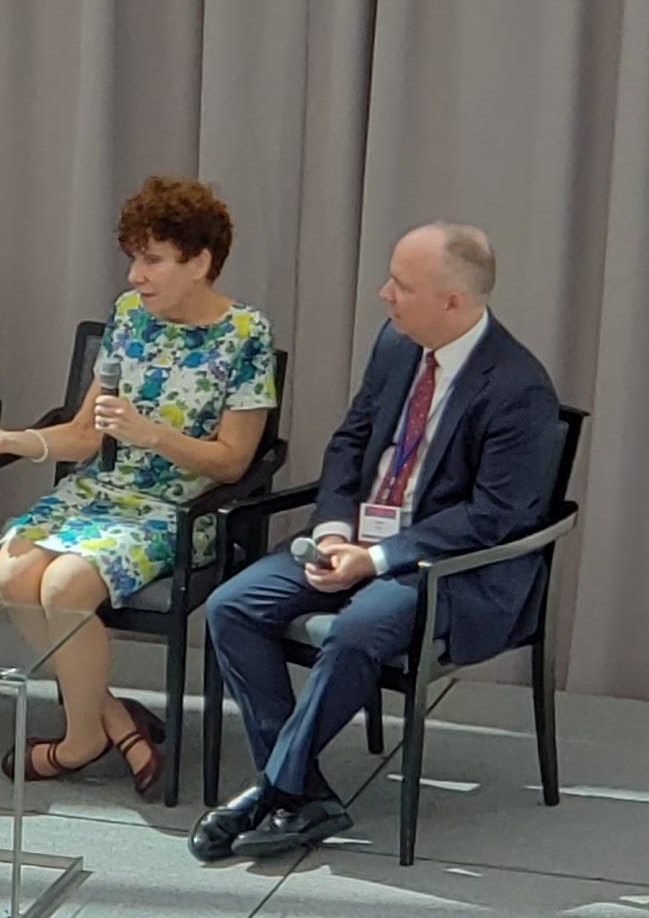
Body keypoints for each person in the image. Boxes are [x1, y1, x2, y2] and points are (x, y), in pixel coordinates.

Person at [192, 223, 562, 860]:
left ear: (454, 302)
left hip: (450, 567)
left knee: (356, 629)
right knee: (232, 606)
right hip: (356, 536)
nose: (385, 294)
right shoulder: (397, 344)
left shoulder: (518, 388)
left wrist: (379, 558)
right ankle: (301, 792)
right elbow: (351, 443)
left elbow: (496, 516)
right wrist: (336, 531)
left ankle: (273, 789)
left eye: (403, 285)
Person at [0, 176, 277, 799]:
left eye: (152, 260)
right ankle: (115, 721)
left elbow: (233, 463)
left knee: (64, 584)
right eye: (133, 260)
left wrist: (150, 435)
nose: (134, 278)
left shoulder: (245, 336)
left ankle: (80, 738)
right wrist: (8, 440)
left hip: (178, 509)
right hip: (101, 494)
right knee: (13, 572)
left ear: (199, 262)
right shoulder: (128, 320)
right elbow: (83, 437)